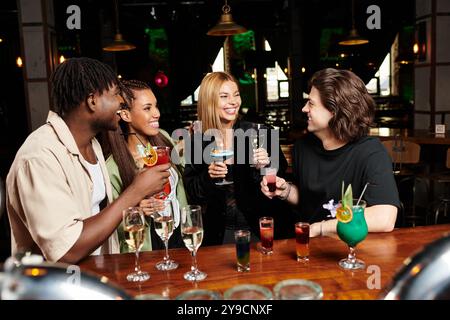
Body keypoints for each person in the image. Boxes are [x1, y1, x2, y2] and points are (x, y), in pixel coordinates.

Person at [6, 57, 170, 264]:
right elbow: (67, 250)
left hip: (97, 277)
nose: (122, 101)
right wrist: (135, 191)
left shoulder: (92, 145)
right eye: (115, 94)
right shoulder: (39, 157)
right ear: (92, 101)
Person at [261, 68, 400, 237]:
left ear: (334, 111)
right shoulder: (302, 148)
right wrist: (285, 191)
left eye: (311, 103)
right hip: (311, 247)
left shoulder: (370, 152)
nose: (304, 109)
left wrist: (321, 228)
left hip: (353, 249)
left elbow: (385, 218)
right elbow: (308, 199)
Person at [184, 71, 289, 245]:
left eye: (236, 95)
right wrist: (208, 176)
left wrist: (266, 166)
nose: (233, 101)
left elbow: (282, 181)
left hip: (260, 230)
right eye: (224, 96)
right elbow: (193, 193)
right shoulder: (197, 140)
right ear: (209, 101)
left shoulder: (261, 132)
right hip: (218, 235)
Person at [104, 79, 187, 252]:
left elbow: (184, 178)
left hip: (179, 238)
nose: (157, 113)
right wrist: (136, 212)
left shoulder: (163, 139)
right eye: (147, 108)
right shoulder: (114, 167)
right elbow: (108, 227)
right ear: (125, 115)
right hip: (148, 247)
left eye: (156, 106)